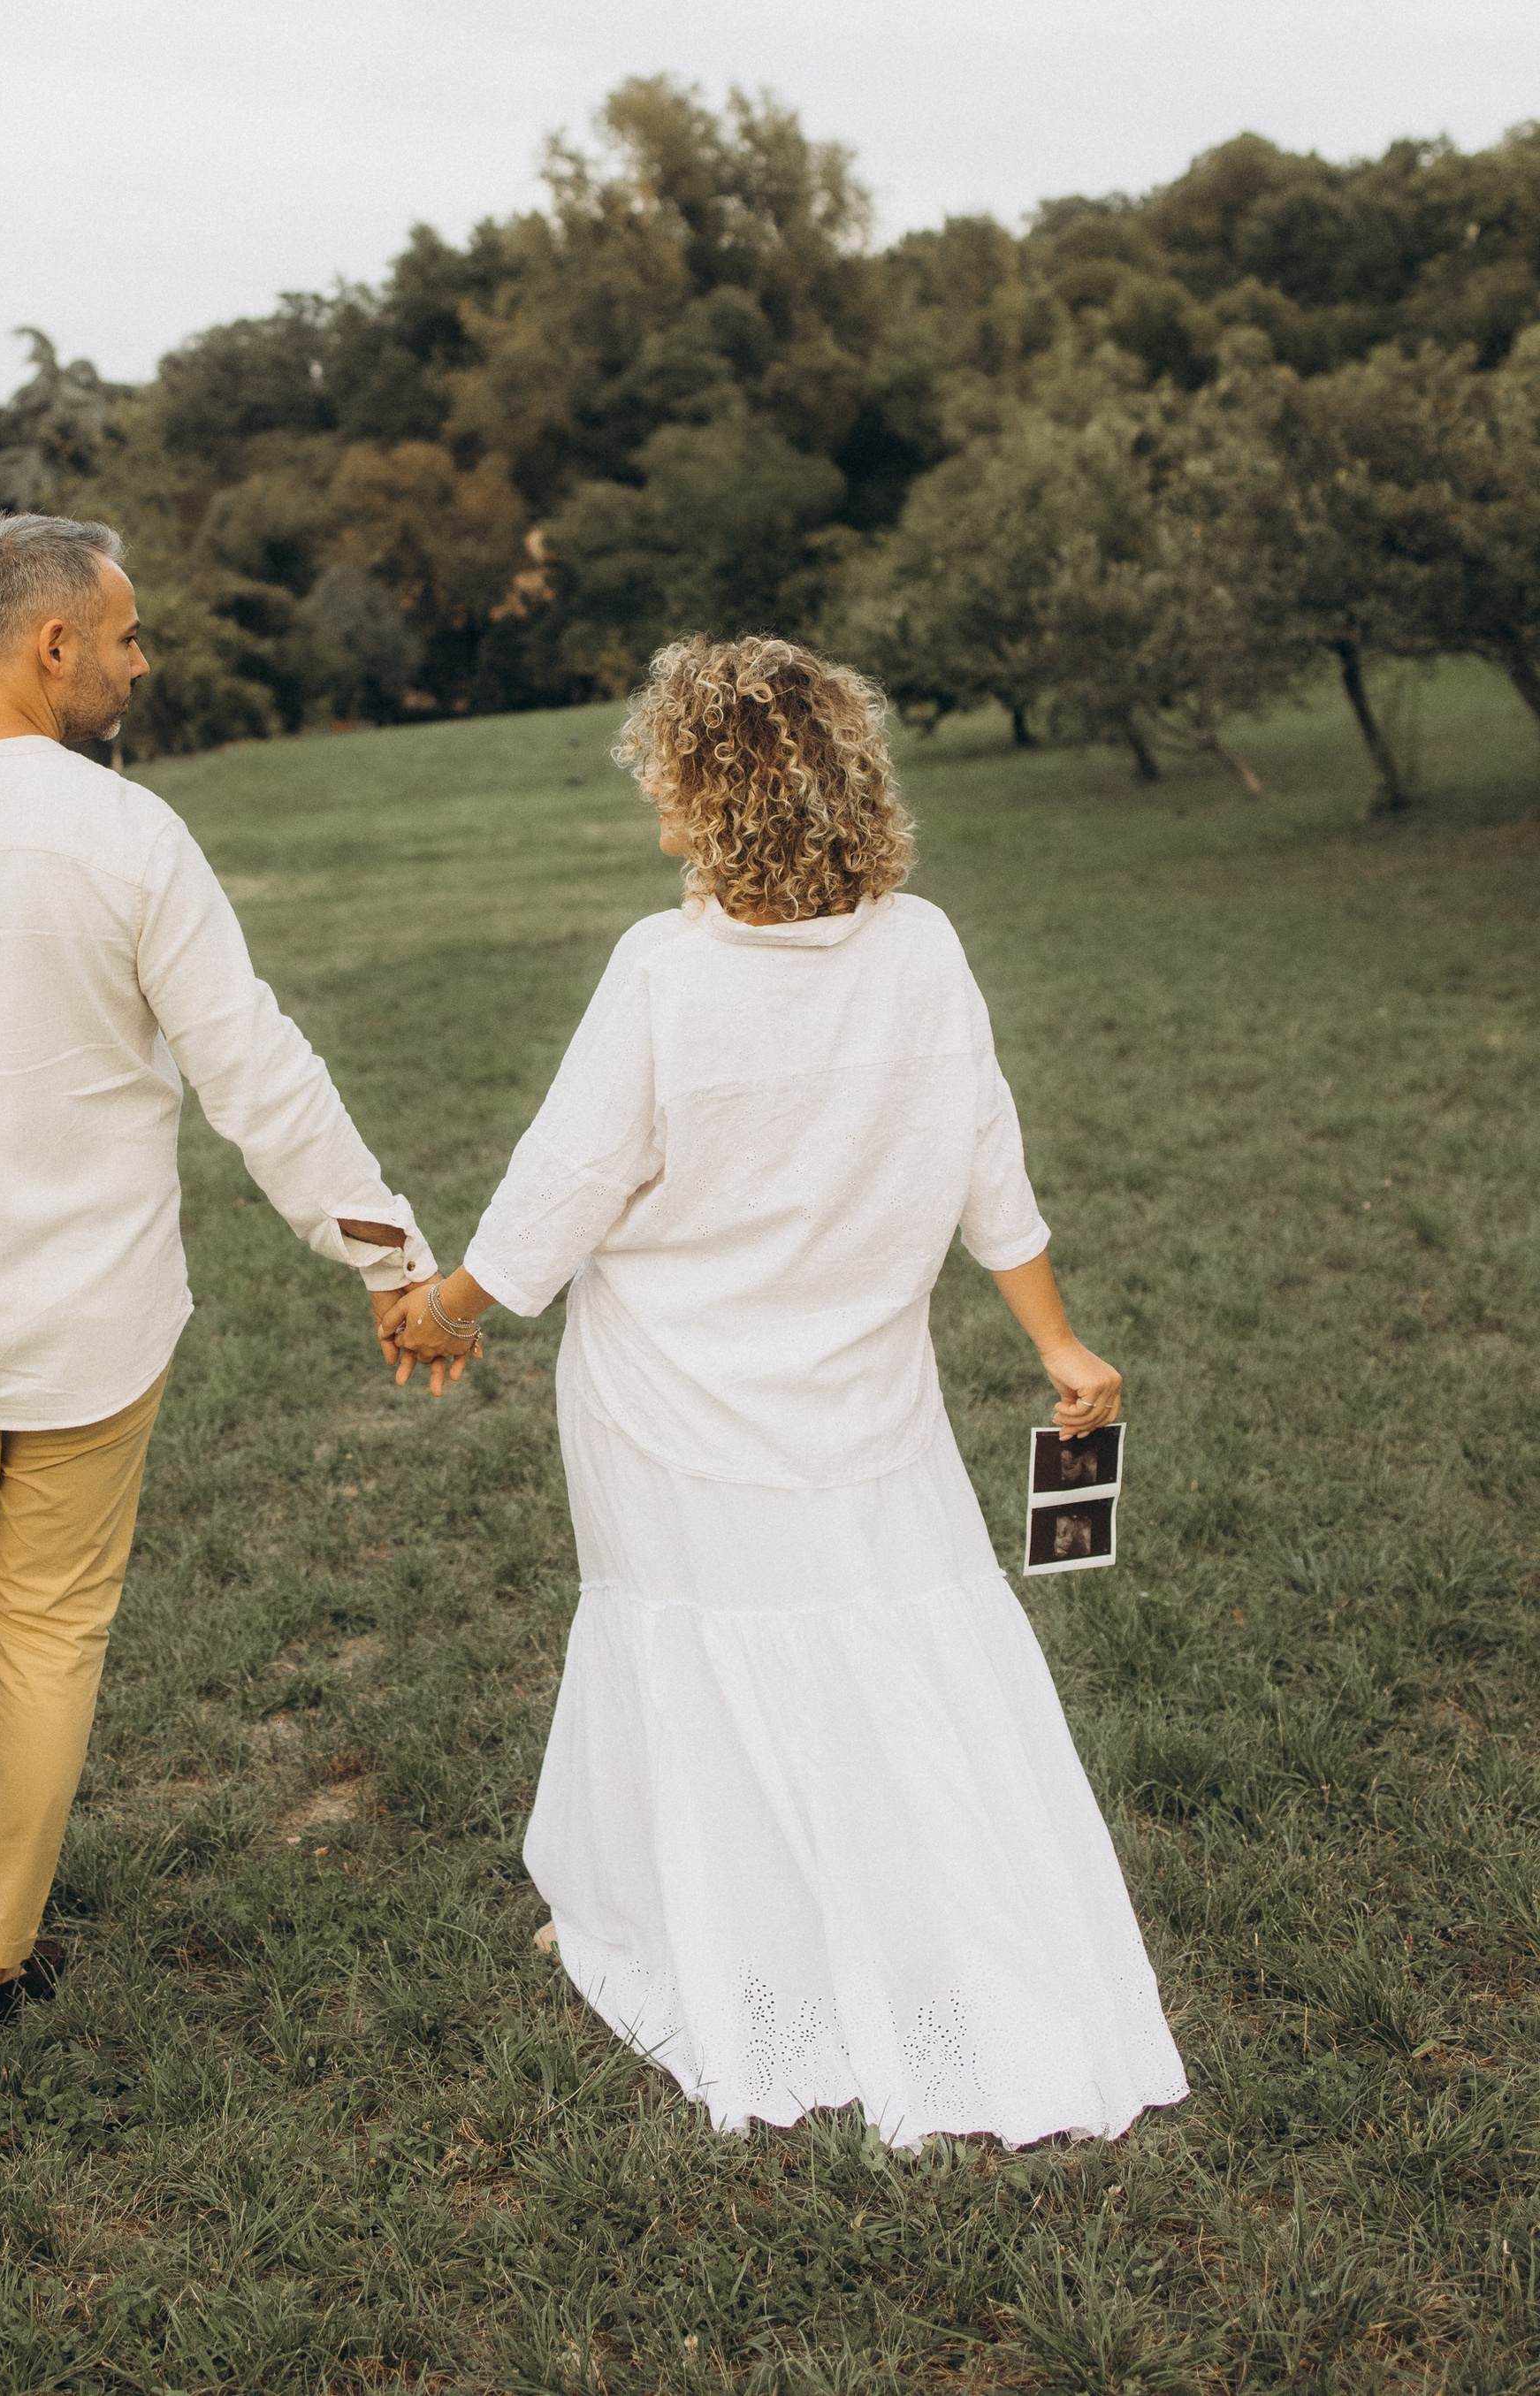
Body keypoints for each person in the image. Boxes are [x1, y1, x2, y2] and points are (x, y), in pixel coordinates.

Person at [385, 634, 1186, 2148]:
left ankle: (695, 1939)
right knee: (895, 1652)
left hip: (671, 1410)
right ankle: (887, 1935)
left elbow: (564, 1185)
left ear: (703, 790)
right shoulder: (925, 945)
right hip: (867, 1403)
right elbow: (984, 1159)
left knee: (691, 1663)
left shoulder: (664, 975)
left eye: (670, 783)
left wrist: (444, 1308)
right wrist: (1057, 1343)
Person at [0, 513, 434, 2132]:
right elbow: (255, 1065)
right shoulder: (134, 838)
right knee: (47, 1632)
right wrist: (384, 1254)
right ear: (50, 642)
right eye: (125, 633)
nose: (140, 657)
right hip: (93, 1334)